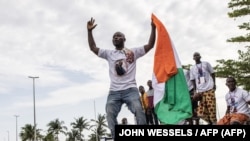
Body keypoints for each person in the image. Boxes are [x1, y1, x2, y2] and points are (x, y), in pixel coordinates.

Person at [87, 17, 156, 138]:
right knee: (109, 113)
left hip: (130, 90)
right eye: (114, 37)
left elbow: (150, 45)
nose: (115, 38)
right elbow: (93, 48)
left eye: (118, 36)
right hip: (114, 92)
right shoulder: (109, 54)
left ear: (124, 39)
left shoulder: (132, 52)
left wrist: (153, 28)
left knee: (139, 110)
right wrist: (89, 31)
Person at [190, 52, 217, 124]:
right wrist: (195, 91)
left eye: (197, 55)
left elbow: (213, 73)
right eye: (194, 55)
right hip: (200, 91)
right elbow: (192, 79)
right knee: (200, 111)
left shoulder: (206, 64)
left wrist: (214, 84)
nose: (196, 56)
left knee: (211, 107)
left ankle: (214, 123)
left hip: (209, 88)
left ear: (200, 56)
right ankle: (209, 121)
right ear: (193, 58)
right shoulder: (192, 68)